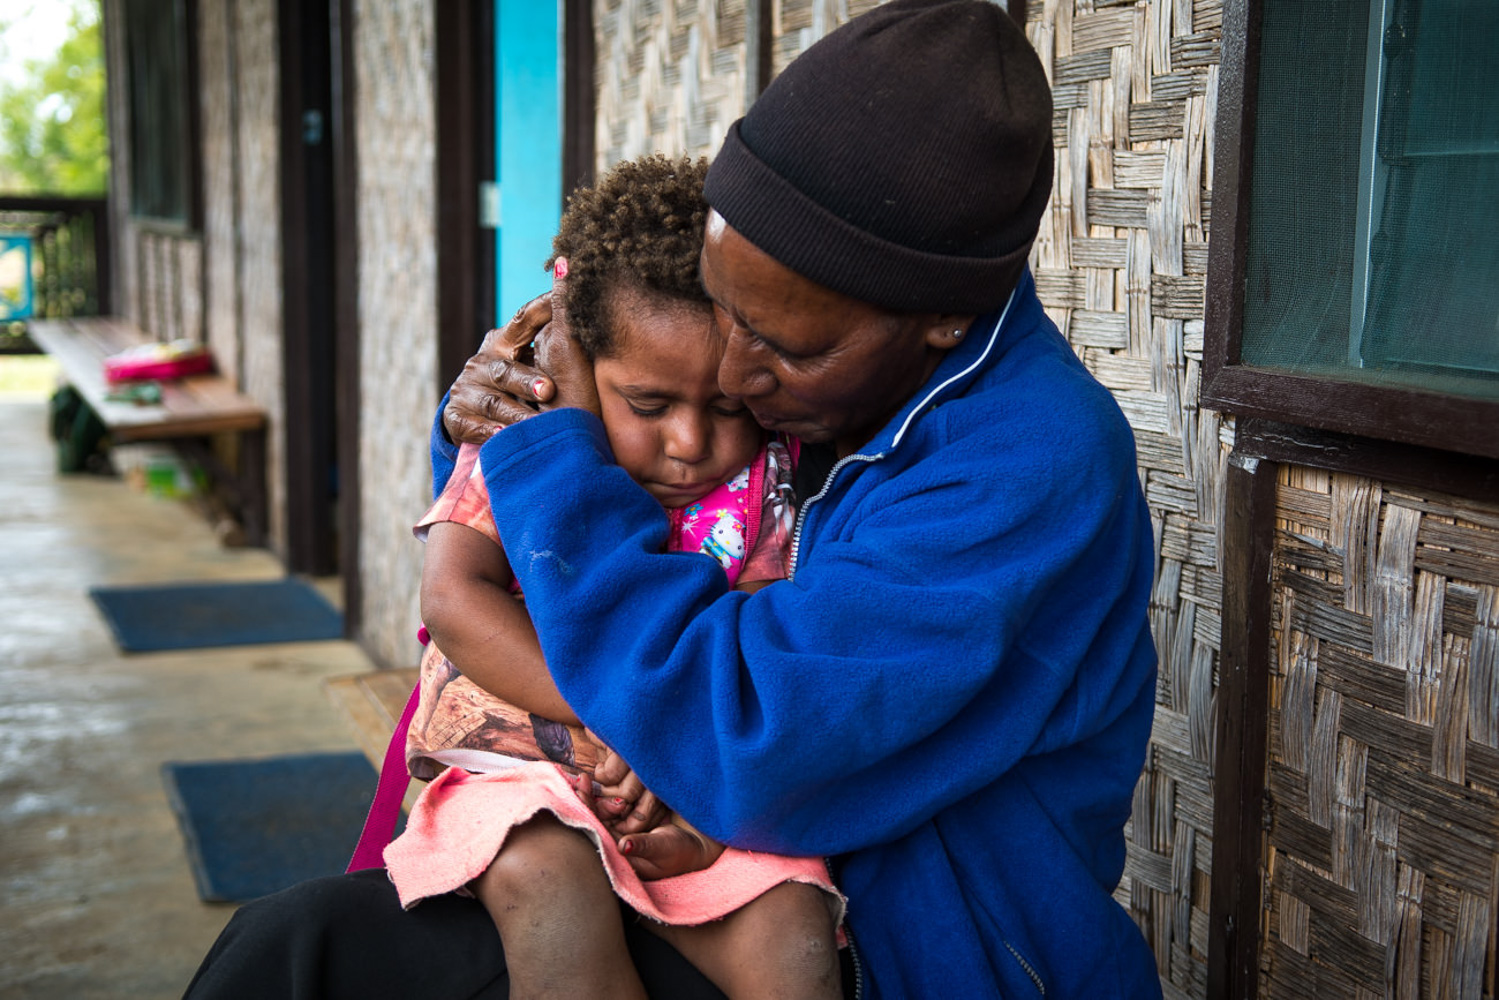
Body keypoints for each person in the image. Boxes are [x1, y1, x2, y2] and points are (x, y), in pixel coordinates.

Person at [184, 2, 1161, 997]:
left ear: (940, 322)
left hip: (905, 946)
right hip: (681, 847)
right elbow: (503, 564)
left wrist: (558, 461)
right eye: (724, 308)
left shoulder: (1027, 467)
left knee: (310, 964)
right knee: (284, 951)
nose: (736, 376)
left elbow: (745, 742)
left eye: (785, 345)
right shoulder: (841, 378)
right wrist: (495, 426)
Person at [386, 154, 844, 1000]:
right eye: (646, 405)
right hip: (522, 766)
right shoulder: (526, 444)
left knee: (791, 930)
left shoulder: (773, 482)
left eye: (725, 407)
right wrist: (621, 710)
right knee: (547, 885)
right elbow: (453, 598)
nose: (687, 443)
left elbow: (763, 620)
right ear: (574, 366)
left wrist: (667, 742)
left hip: (685, 773)